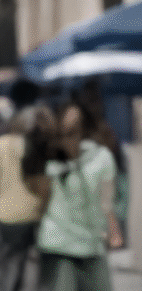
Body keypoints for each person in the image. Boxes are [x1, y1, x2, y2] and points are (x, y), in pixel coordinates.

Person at [36, 102, 123, 291]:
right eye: (63, 132)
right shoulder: (49, 159)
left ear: (83, 130)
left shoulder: (101, 158)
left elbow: (107, 201)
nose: (67, 138)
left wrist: (113, 231)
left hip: (91, 242)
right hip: (57, 243)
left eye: (72, 131)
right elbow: (41, 199)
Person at [0, 105, 53, 291]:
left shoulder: (0, 143)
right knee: (22, 261)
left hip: (2, 212)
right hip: (31, 214)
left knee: (5, 261)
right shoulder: (38, 147)